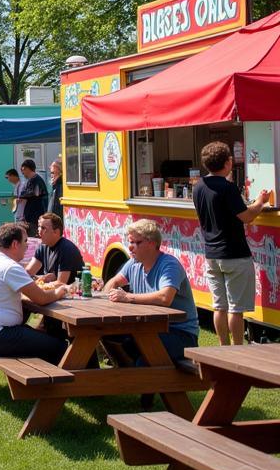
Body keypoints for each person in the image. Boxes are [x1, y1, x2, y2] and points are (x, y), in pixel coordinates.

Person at [193, 140, 270, 345]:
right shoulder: (228, 188)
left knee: (219, 306)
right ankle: (238, 349)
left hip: (211, 254)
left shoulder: (198, 186)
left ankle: (223, 347)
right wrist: (260, 202)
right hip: (234, 254)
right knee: (236, 309)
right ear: (228, 162)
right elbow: (246, 216)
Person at [100, 219, 201, 364]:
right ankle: (126, 382)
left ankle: (139, 383)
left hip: (180, 334)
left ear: (152, 243)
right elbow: (115, 281)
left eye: (137, 243)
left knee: (144, 359)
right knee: (111, 338)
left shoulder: (169, 265)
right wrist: (109, 294)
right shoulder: (133, 263)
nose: (131, 248)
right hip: (148, 329)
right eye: (130, 242)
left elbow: (165, 298)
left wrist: (127, 297)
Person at [0, 222, 69, 362]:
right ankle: (86, 382)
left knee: (47, 339)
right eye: (25, 241)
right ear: (15, 244)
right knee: (63, 348)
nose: (27, 245)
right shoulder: (9, 266)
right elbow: (41, 298)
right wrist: (60, 291)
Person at [25, 212, 84, 286]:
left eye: (43, 228)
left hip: (73, 293)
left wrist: (41, 283)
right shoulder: (43, 247)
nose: (39, 231)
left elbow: (61, 283)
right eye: (39, 227)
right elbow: (28, 273)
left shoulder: (66, 249)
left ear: (56, 232)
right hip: (56, 292)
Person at [17, 160, 49, 236]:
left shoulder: (36, 180)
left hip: (34, 218)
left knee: (33, 239)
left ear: (26, 168)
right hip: (30, 218)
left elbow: (29, 194)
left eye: (23, 170)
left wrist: (22, 197)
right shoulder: (30, 180)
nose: (22, 172)